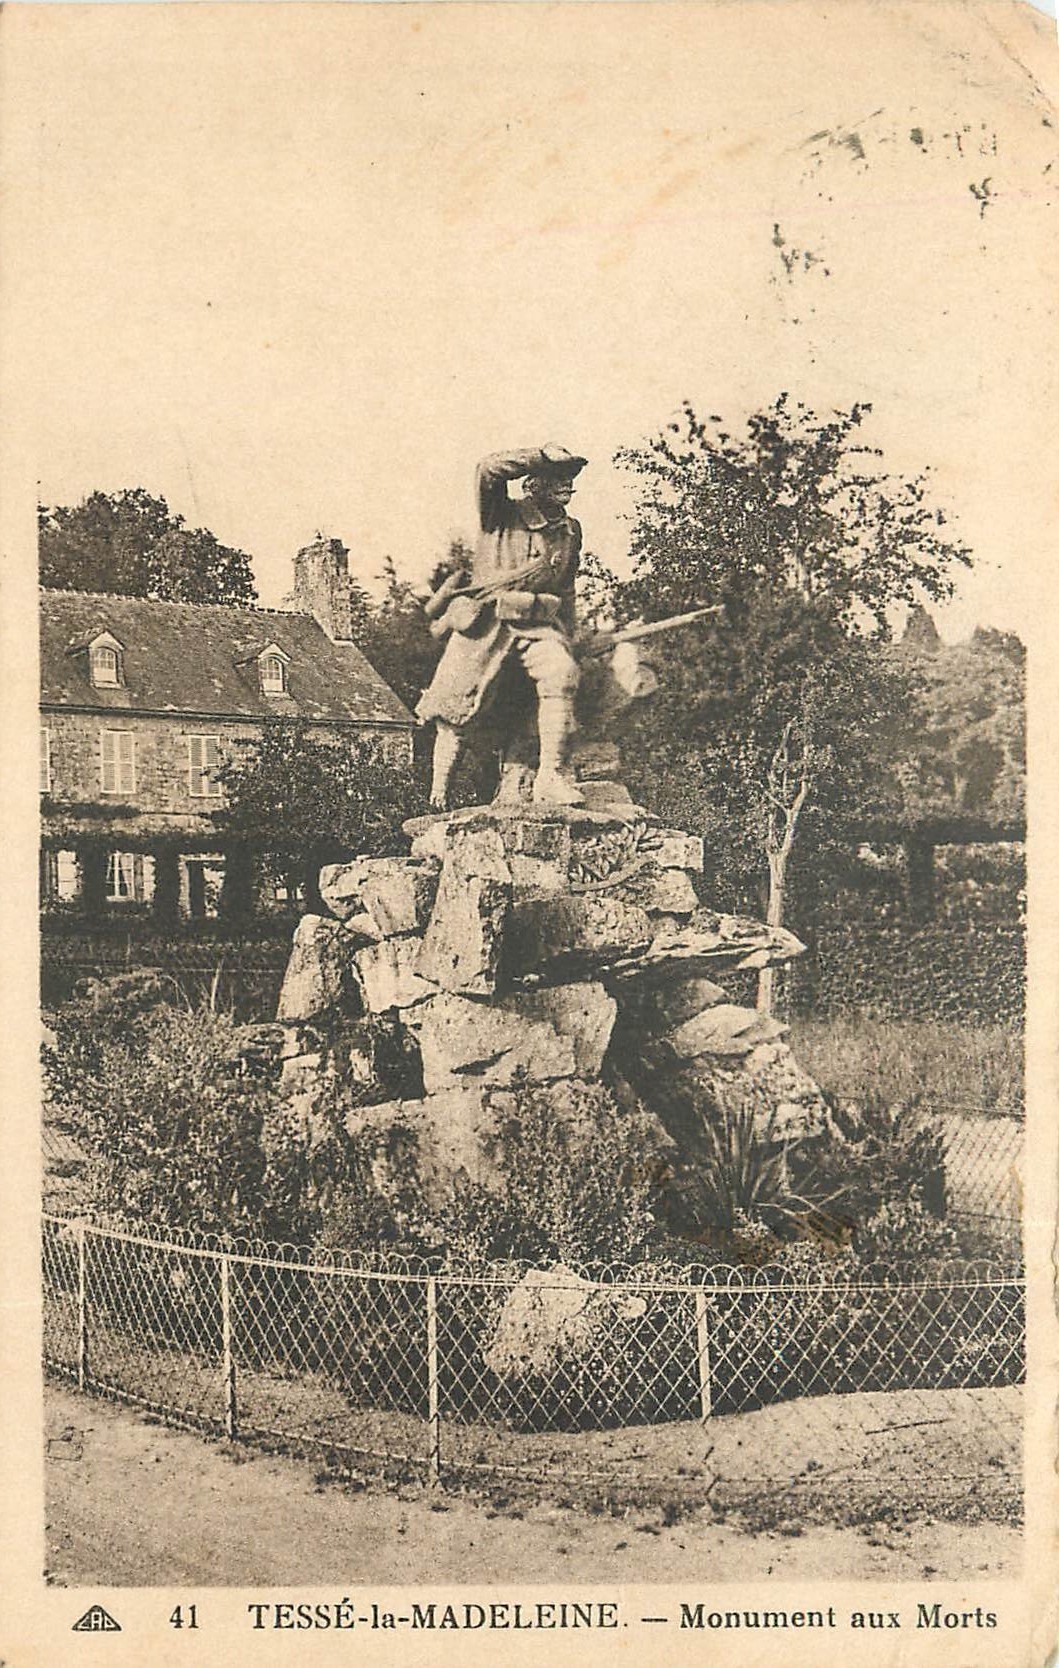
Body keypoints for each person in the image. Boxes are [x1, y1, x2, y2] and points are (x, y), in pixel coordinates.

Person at [416, 445, 589, 808]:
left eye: (570, 479)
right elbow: (488, 469)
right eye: (558, 478)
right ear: (534, 484)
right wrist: (540, 454)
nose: (567, 486)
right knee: (454, 714)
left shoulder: (570, 531)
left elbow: (566, 588)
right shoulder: (500, 514)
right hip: (484, 629)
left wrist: (569, 636)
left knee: (562, 674)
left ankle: (550, 778)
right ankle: (438, 798)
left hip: (535, 623)